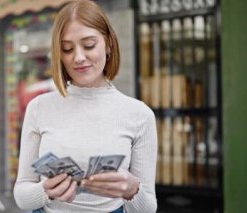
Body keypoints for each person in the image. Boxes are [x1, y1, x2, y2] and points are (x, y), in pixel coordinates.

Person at [13, 0, 158, 212]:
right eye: (67, 49)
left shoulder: (139, 115)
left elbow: (148, 209)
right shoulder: (39, 108)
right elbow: (22, 194)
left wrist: (132, 189)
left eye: (89, 45)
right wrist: (45, 190)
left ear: (108, 44)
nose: (79, 57)